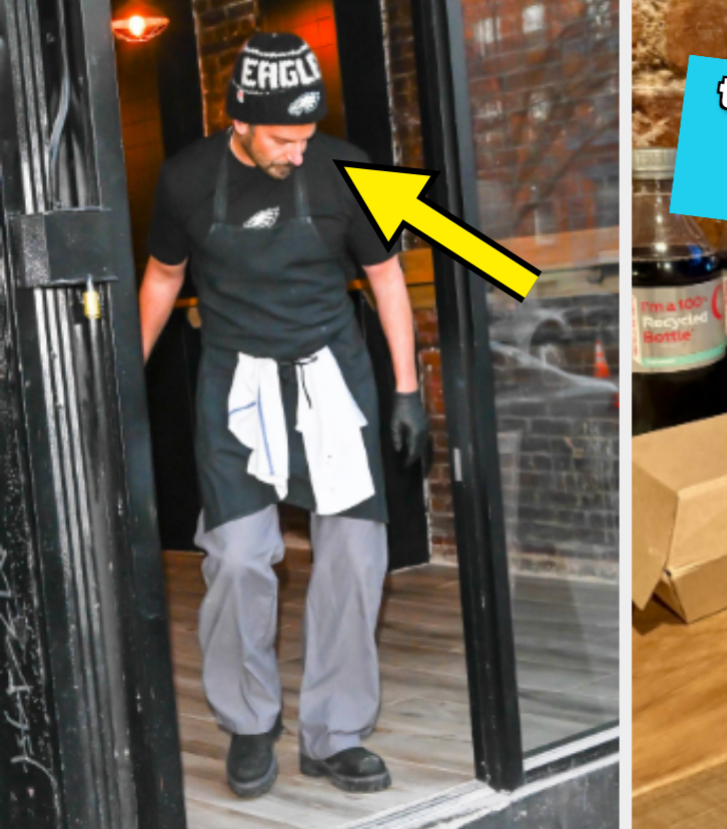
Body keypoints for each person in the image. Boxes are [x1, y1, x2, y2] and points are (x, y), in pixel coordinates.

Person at [137, 32, 429, 798]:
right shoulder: (187, 179)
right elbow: (163, 277)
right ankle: (248, 721)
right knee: (238, 556)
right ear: (238, 119)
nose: (298, 152)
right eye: (281, 138)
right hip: (237, 385)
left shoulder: (343, 169)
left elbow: (386, 278)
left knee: (355, 555)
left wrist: (406, 389)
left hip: (330, 379)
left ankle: (335, 734)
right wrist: (121, 379)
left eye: (306, 135)